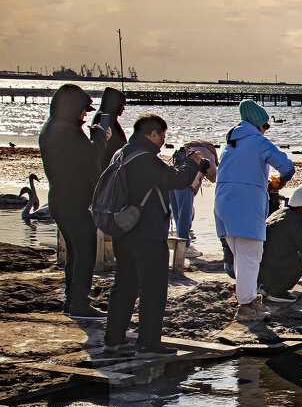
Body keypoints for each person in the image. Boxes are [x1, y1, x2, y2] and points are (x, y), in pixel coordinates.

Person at [101, 114, 204, 357]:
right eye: (162, 136)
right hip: (147, 233)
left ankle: (113, 340)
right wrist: (193, 162)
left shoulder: (121, 154)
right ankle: (148, 344)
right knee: (153, 289)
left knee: (124, 285)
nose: (163, 141)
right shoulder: (145, 158)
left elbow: (159, 178)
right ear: (153, 133)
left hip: (123, 229)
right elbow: (177, 180)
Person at [213, 99, 295, 322]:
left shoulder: (230, 143)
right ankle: (247, 306)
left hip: (223, 205)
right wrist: (280, 181)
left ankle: (248, 301)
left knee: (241, 258)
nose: (266, 130)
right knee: (251, 258)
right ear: (259, 125)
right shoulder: (258, 142)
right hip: (246, 206)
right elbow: (287, 167)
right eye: (266, 125)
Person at [38, 83, 111, 320]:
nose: (84, 115)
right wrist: (100, 137)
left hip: (60, 199)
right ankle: (79, 303)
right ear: (71, 108)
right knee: (85, 253)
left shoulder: (52, 128)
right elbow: (90, 156)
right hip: (74, 201)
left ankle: (72, 301)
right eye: (82, 110)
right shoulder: (66, 131)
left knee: (75, 253)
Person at [169, 140, 219, 257]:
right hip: (186, 185)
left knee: (178, 216)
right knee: (185, 216)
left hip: (171, 183)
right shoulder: (206, 153)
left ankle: (181, 246)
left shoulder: (183, 149)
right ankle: (185, 248)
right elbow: (213, 177)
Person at [91, 87, 127, 168]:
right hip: (108, 166)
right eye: (123, 104)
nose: (124, 108)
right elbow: (105, 146)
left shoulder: (106, 116)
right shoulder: (104, 118)